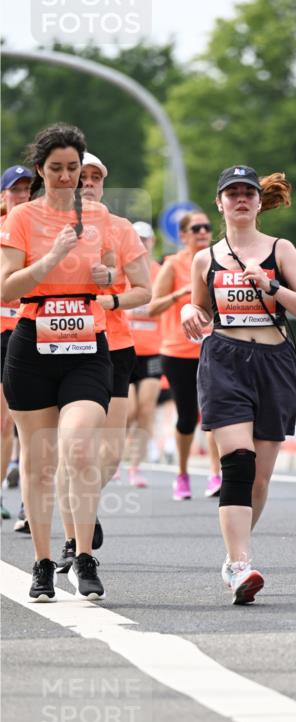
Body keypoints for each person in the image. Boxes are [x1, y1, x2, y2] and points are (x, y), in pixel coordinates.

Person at [181, 164, 296, 603]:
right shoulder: (205, 258)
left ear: (260, 202)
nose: (240, 199)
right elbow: (197, 307)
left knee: (259, 478)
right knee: (237, 464)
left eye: (248, 193)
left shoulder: (282, 249)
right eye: (232, 193)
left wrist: (272, 286)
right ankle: (241, 564)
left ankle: (234, 554)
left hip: (275, 361)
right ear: (219, 202)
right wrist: (188, 311)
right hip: (224, 359)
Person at [0, 123, 117, 600]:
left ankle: (84, 555)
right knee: (38, 461)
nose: (67, 177)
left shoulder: (102, 216)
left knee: (80, 446)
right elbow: (7, 287)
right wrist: (50, 258)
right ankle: (42, 563)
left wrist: (108, 276)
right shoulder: (22, 218)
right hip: (32, 341)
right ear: (41, 170)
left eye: (74, 168)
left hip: (88, 343)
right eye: (56, 169)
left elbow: (117, 280)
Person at [54, 152, 151, 575]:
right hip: (64, 346)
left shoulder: (119, 227)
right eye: (82, 176)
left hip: (115, 343)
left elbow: (141, 290)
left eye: (95, 177)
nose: (88, 183)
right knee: (72, 450)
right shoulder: (48, 225)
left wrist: (108, 297)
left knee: (109, 453)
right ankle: (73, 540)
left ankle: (85, 505)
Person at [148, 210, 221, 500]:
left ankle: (216, 475)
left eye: (206, 227)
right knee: (187, 416)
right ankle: (182, 474)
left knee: (215, 413)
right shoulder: (173, 264)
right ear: (183, 235)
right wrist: (183, 293)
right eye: (196, 228)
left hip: (214, 347)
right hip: (178, 350)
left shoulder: (220, 261)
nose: (202, 232)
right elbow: (153, 307)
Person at [1, 164, 34, 522]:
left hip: (30, 331)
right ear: (4, 195)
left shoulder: (40, 231)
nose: (22, 195)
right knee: (2, 421)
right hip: (1, 333)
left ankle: (30, 501)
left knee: (30, 421)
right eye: (15, 189)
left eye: (27, 189)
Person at [125, 221, 164, 486]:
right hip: (125, 349)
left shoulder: (160, 272)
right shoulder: (121, 271)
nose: (141, 244)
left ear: (152, 243)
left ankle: (135, 467)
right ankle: (113, 457)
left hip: (153, 350)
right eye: (136, 239)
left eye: (145, 239)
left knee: (146, 410)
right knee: (127, 410)